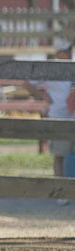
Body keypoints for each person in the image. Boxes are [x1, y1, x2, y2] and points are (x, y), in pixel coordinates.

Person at [28, 37, 75, 177]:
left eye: (69, 50)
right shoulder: (50, 68)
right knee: (59, 155)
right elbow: (27, 83)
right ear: (58, 52)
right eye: (66, 51)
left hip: (72, 115)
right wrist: (44, 97)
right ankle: (60, 190)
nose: (69, 54)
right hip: (59, 116)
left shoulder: (72, 66)